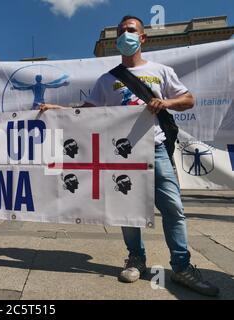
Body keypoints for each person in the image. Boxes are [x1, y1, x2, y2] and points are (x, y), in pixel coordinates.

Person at [41, 16, 219, 297]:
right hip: (121, 155)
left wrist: (166, 102)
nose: (126, 35)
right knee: (129, 210)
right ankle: (136, 259)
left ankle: (182, 267)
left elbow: (188, 99)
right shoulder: (107, 80)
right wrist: (57, 109)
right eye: (122, 32)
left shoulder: (161, 71)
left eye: (131, 30)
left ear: (143, 38)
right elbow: (87, 112)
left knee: (172, 209)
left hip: (156, 149)